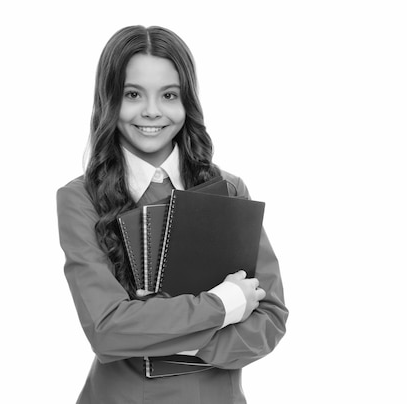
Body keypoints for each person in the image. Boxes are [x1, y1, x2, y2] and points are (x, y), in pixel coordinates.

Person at [56, 25, 288, 404]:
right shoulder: (80, 198)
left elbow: (270, 321)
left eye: (168, 95)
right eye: (133, 94)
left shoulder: (229, 190)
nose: (151, 111)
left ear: (187, 103)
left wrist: (157, 329)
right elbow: (107, 330)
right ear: (109, 100)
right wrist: (224, 305)